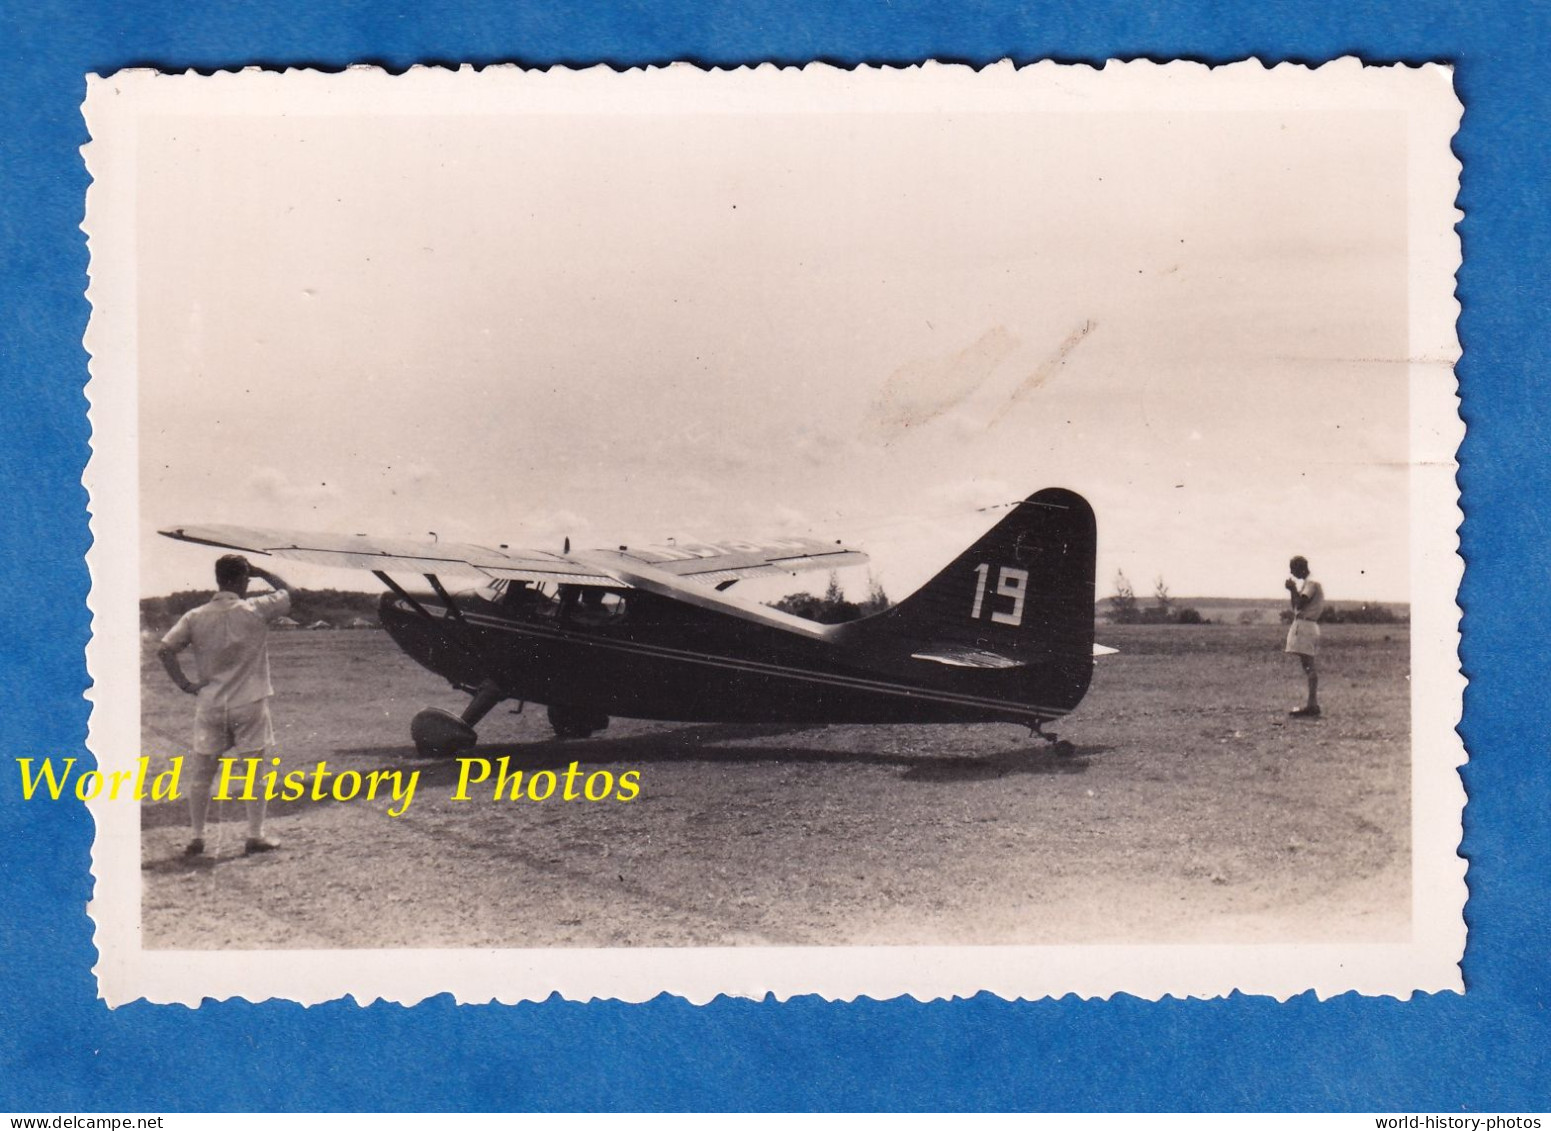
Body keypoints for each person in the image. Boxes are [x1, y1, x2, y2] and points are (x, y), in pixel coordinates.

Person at [157, 554, 293, 856]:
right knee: (254, 773)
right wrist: (263, 572)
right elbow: (289, 592)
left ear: (219, 579)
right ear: (242, 580)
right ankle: (255, 835)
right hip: (250, 702)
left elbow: (165, 650)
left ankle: (196, 836)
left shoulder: (195, 615)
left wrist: (186, 685)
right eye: (246, 578)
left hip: (211, 703)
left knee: (203, 774)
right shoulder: (256, 608)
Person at [1283, 555, 1326, 718]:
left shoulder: (1311, 583)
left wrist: (1293, 589)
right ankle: (1312, 704)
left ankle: (1312, 704)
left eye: (1293, 569)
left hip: (1306, 626)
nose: (1292, 573)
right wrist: (1293, 591)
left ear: (1301, 568)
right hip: (1306, 625)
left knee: (1309, 666)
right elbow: (1296, 606)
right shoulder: (1308, 584)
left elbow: (1300, 604)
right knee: (1307, 665)